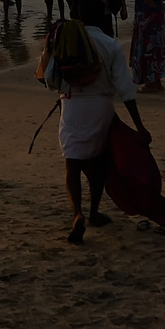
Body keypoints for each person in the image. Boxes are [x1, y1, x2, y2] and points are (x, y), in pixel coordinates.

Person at [37, 14, 147, 244]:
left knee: (72, 164)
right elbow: (125, 89)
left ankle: (77, 213)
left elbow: (49, 80)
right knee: (99, 164)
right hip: (101, 108)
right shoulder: (110, 44)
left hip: (72, 105)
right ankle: (94, 212)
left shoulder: (63, 37)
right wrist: (139, 126)